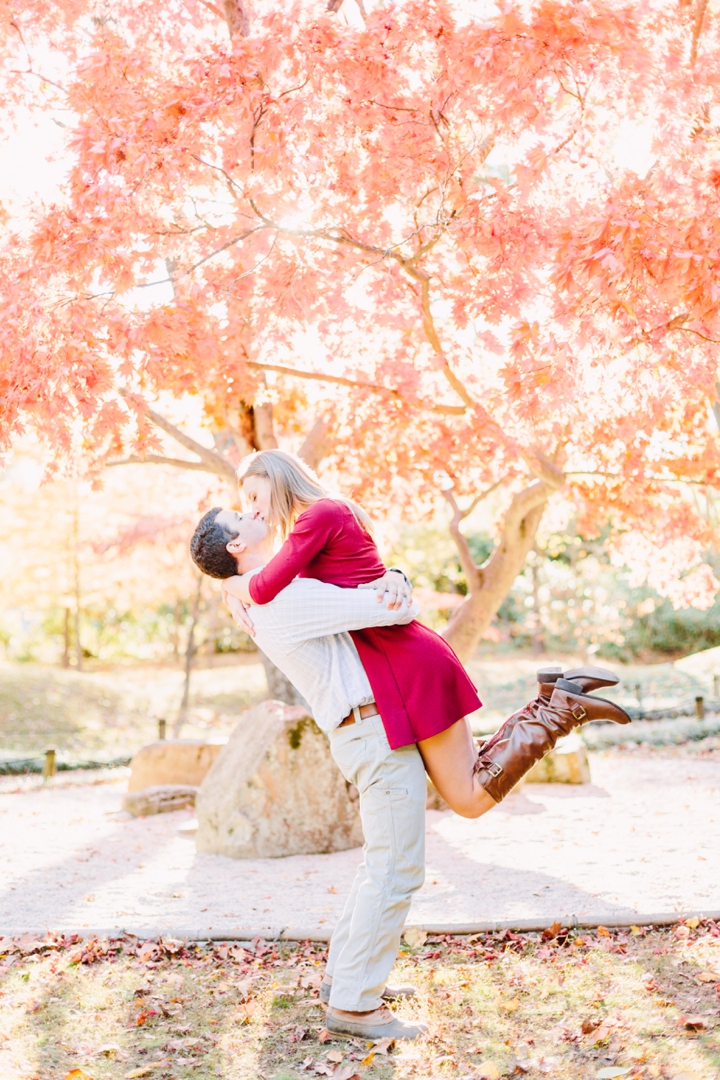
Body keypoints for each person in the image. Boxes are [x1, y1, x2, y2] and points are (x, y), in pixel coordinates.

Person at [190, 508, 631, 1040]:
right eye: (240, 514)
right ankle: (354, 1004)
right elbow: (389, 610)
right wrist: (396, 582)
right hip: (372, 729)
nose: (255, 511)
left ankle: (344, 980)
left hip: (373, 722)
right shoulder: (281, 596)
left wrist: (385, 580)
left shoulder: (270, 590)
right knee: (396, 869)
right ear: (235, 546)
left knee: (384, 863)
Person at [222, 449, 627, 814]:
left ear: (278, 478)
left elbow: (263, 588)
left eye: (255, 497)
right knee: (473, 774)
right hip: (400, 659)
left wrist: (225, 584)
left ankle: (562, 709)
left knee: (468, 798)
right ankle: (556, 700)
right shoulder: (324, 517)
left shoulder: (318, 516)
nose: (255, 511)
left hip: (405, 662)